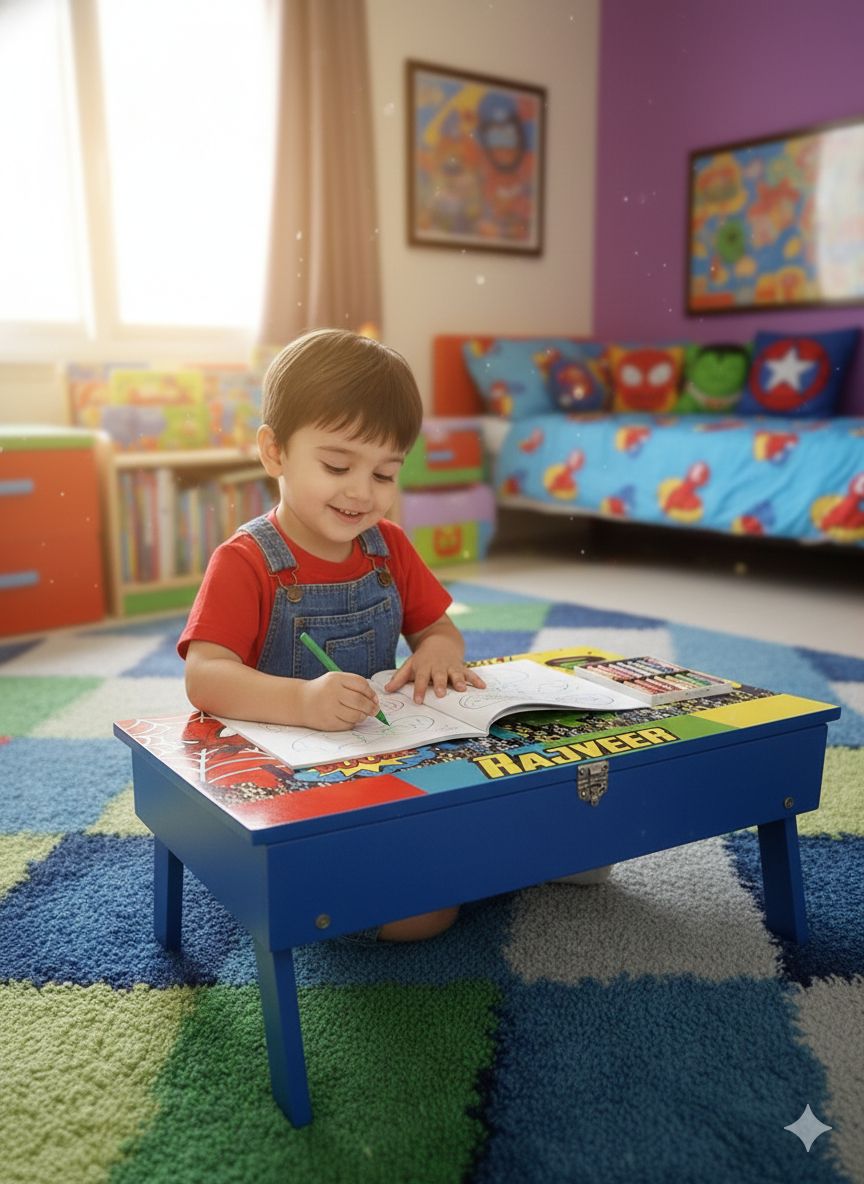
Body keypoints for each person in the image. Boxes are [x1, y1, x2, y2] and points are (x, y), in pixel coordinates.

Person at [178, 327, 485, 943]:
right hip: (288, 779)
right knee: (418, 919)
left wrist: (438, 653)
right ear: (275, 453)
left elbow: (438, 627)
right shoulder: (244, 561)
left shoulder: (388, 546)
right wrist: (301, 702)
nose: (361, 493)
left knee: (510, 812)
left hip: (386, 756)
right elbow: (204, 676)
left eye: (385, 473)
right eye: (338, 465)